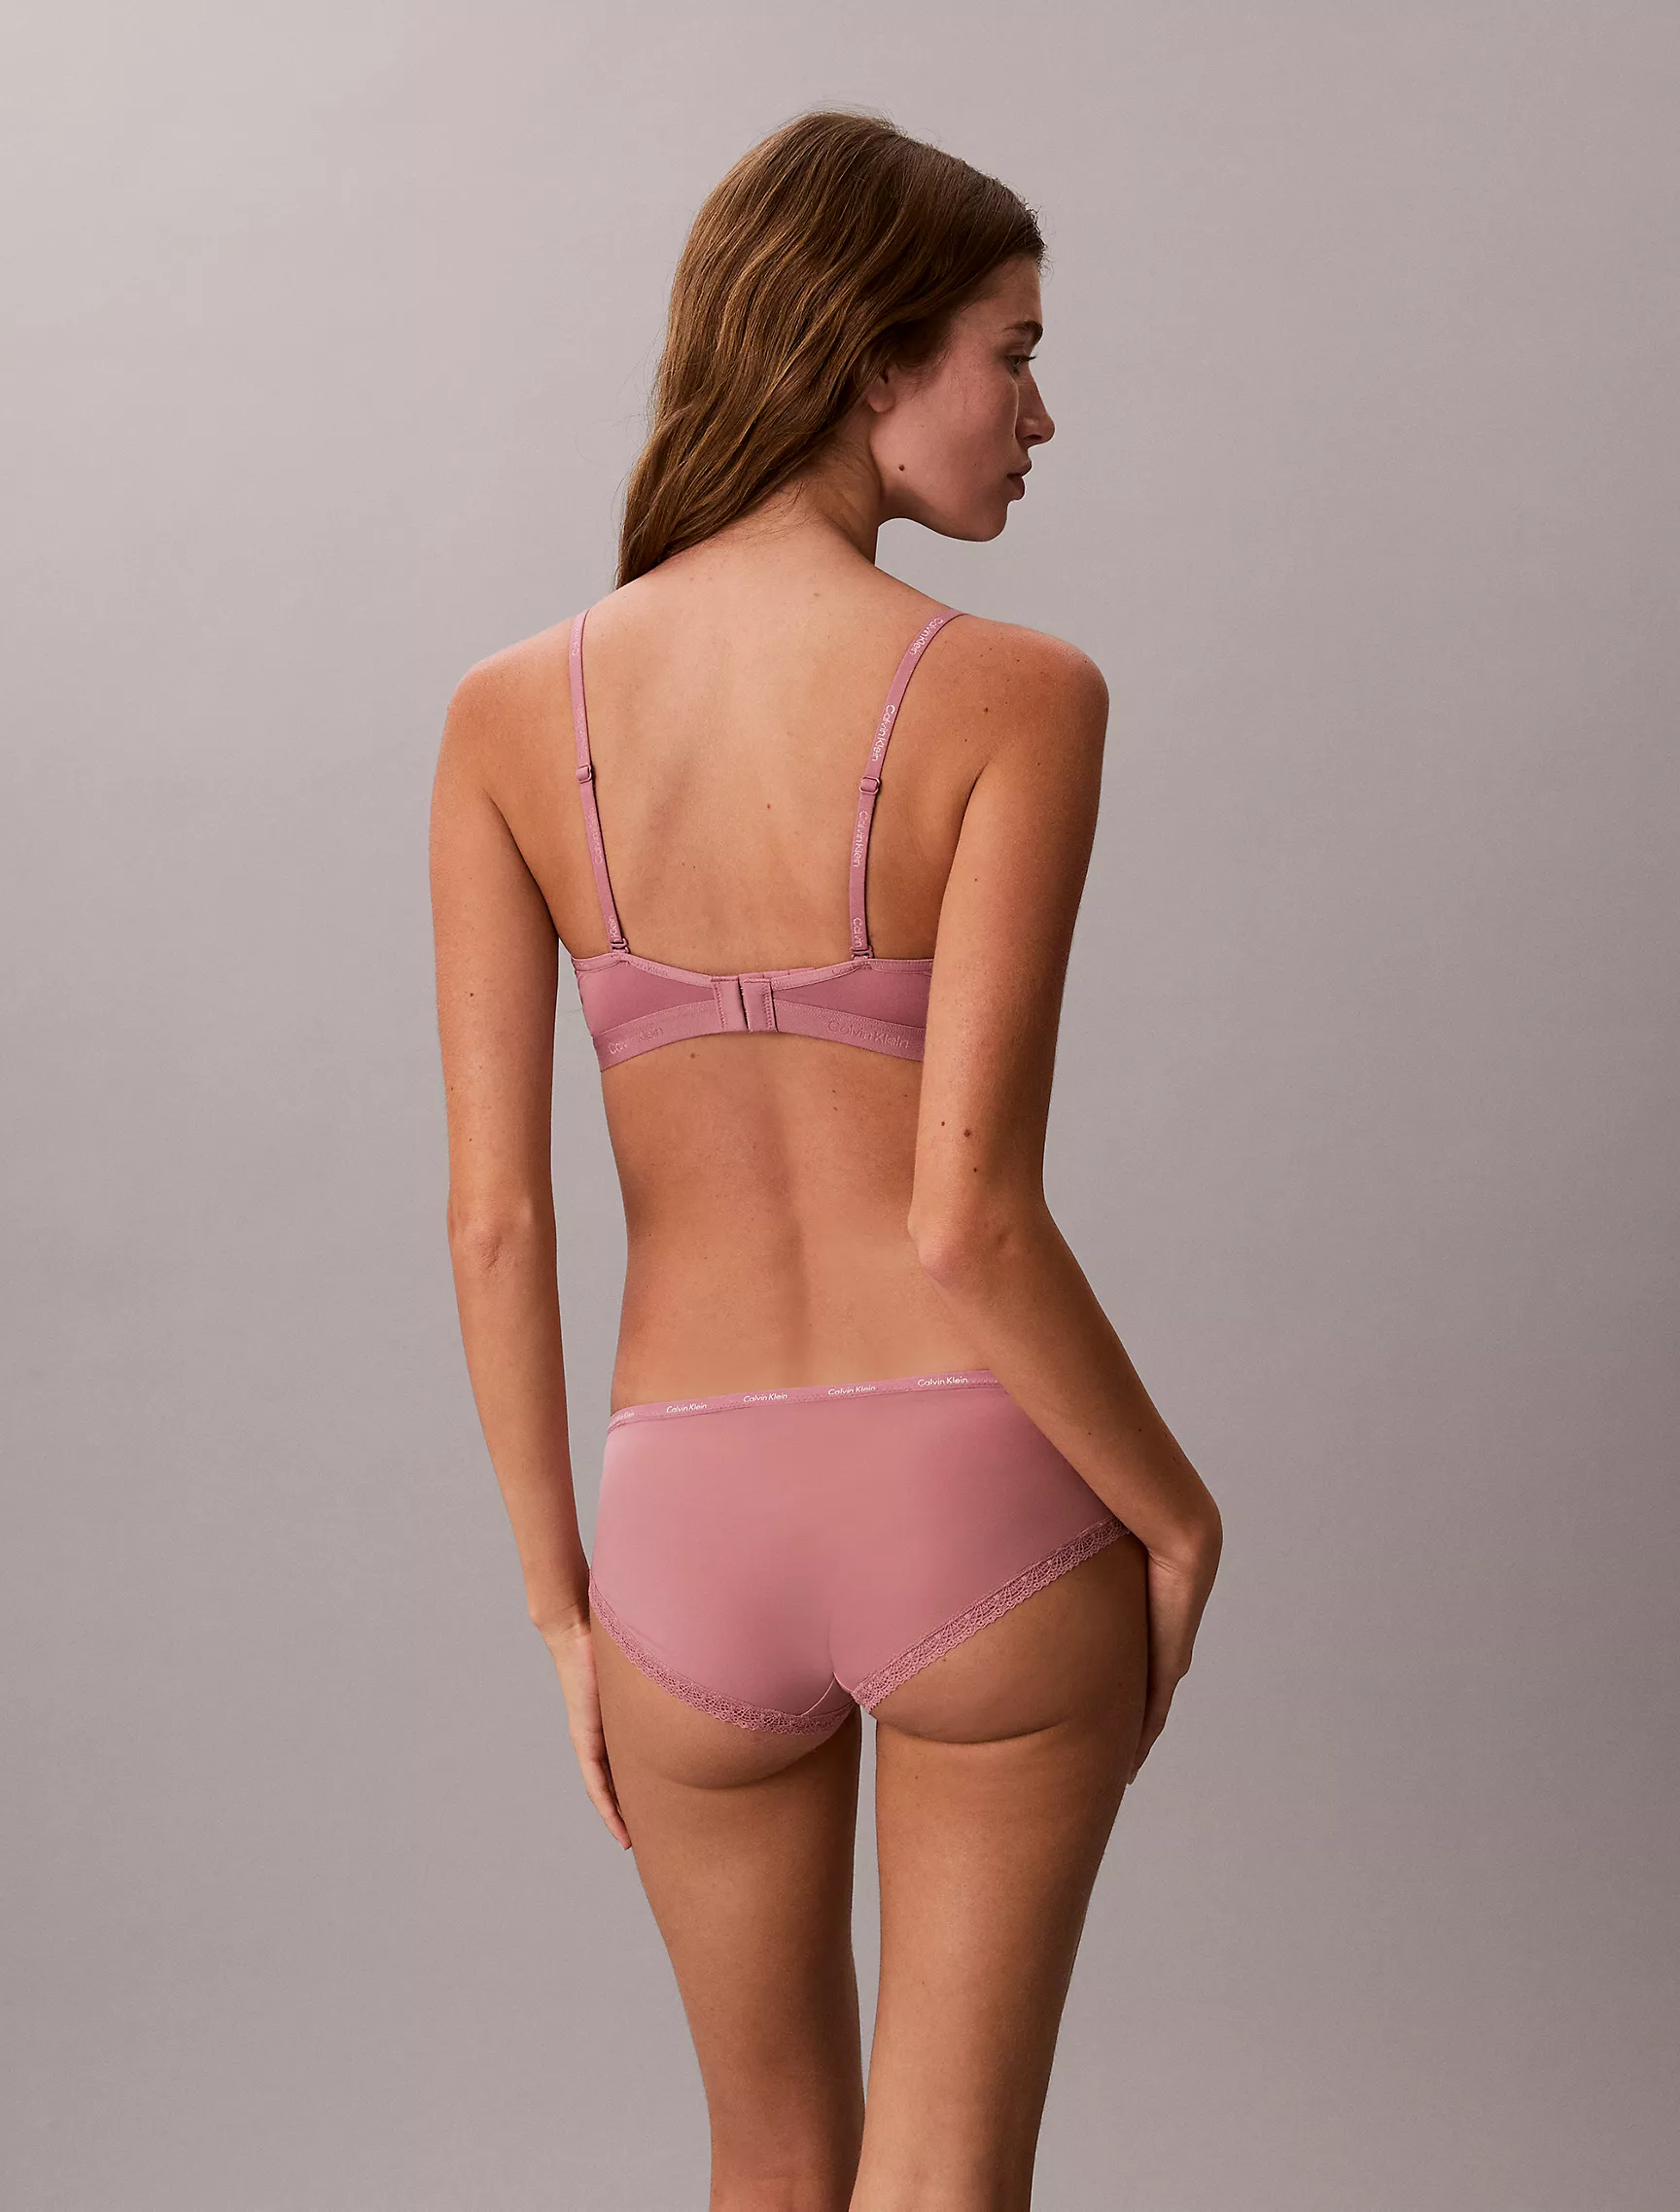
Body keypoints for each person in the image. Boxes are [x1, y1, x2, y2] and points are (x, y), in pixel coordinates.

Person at [430, 108, 1222, 2212]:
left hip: (680, 1531)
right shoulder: (1018, 696)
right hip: (974, 1500)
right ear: (872, 359)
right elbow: (969, 1216)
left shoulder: (508, 714)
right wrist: (1175, 1513)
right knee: (946, 2179)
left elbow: (496, 1222)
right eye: (1010, 352)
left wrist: (564, 1614)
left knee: (768, 2164)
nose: (1039, 415)